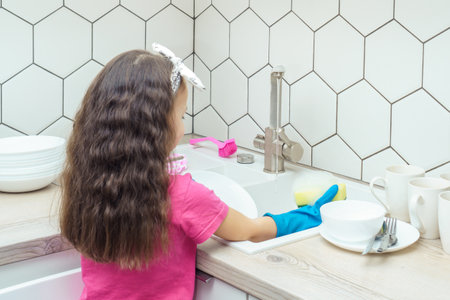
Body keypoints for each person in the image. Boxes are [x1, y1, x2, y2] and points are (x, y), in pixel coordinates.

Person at [60, 44, 338, 300]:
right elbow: (252, 230)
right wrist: (311, 216)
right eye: (181, 116)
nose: (182, 126)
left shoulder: (87, 185)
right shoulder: (181, 195)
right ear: (157, 128)